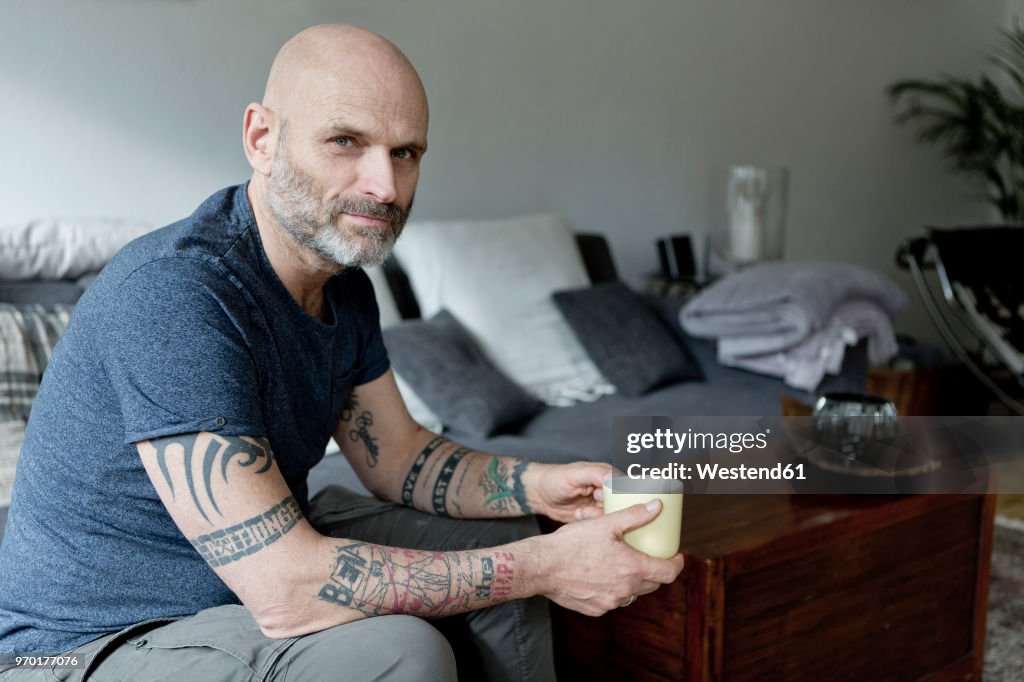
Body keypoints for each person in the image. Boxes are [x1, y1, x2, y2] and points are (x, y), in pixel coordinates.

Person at [0, 24, 685, 682]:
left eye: (405, 152)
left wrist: (541, 487)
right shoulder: (175, 295)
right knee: (396, 653)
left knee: (500, 538)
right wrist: (544, 566)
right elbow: (285, 590)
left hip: (244, 575)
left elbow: (401, 458)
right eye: (346, 141)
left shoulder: (345, 285)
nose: (383, 187)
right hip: (91, 643)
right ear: (262, 138)